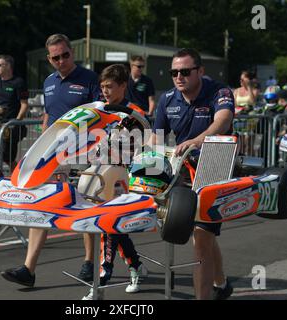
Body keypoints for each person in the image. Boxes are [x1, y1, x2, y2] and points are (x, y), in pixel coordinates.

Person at [1, 34, 101, 288]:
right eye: (55, 57)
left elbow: (101, 113)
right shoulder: (48, 82)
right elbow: (48, 115)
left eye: (65, 55)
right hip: (54, 156)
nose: (61, 60)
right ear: (49, 59)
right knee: (41, 206)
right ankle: (28, 269)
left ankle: (90, 261)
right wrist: (41, 146)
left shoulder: (90, 79)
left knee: (85, 205)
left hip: (84, 154)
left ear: (72, 53)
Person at [150, 48, 235, 300]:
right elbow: (155, 138)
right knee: (203, 235)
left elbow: (223, 120)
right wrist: (144, 161)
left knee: (201, 238)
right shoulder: (167, 98)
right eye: (174, 72)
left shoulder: (219, 92)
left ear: (200, 71)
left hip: (216, 160)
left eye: (185, 72)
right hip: (183, 166)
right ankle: (221, 284)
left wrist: (196, 141)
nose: (179, 77)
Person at [82, 64, 146, 300]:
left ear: (123, 86)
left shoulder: (134, 113)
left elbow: (136, 146)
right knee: (114, 228)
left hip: (125, 177)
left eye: (110, 86)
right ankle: (136, 267)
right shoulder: (100, 110)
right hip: (101, 175)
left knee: (108, 228)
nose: (105, 91)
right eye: (102, 87)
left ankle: (100, 283)